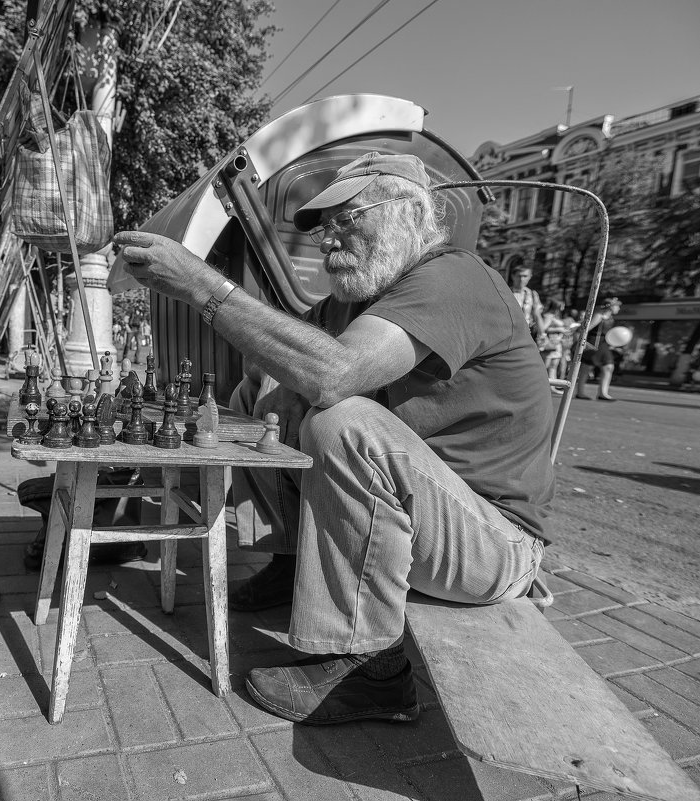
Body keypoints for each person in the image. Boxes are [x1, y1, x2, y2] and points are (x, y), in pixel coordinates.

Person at [115, 151, 554, 725]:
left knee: (340, 421)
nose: (327, 241)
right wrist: (264, 375)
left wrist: (205, 288)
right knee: (264, 398)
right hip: (426, 521)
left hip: (493, 545)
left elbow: (335, 373)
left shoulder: (455, 277)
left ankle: (370, 668)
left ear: (407, 212)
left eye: (347, 220)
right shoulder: (355, 301)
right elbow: (283, 365)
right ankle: (289, 557)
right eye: (322, 228)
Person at [509, 264, 545, 337]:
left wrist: (542, 334)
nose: (522, 279)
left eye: (525, 276)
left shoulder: (533, 294)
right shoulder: (505, 292)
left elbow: (537, 315)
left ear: (530, 277)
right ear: (513, 276)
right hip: (508, 332)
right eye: (519, 276)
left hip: (525, 334)